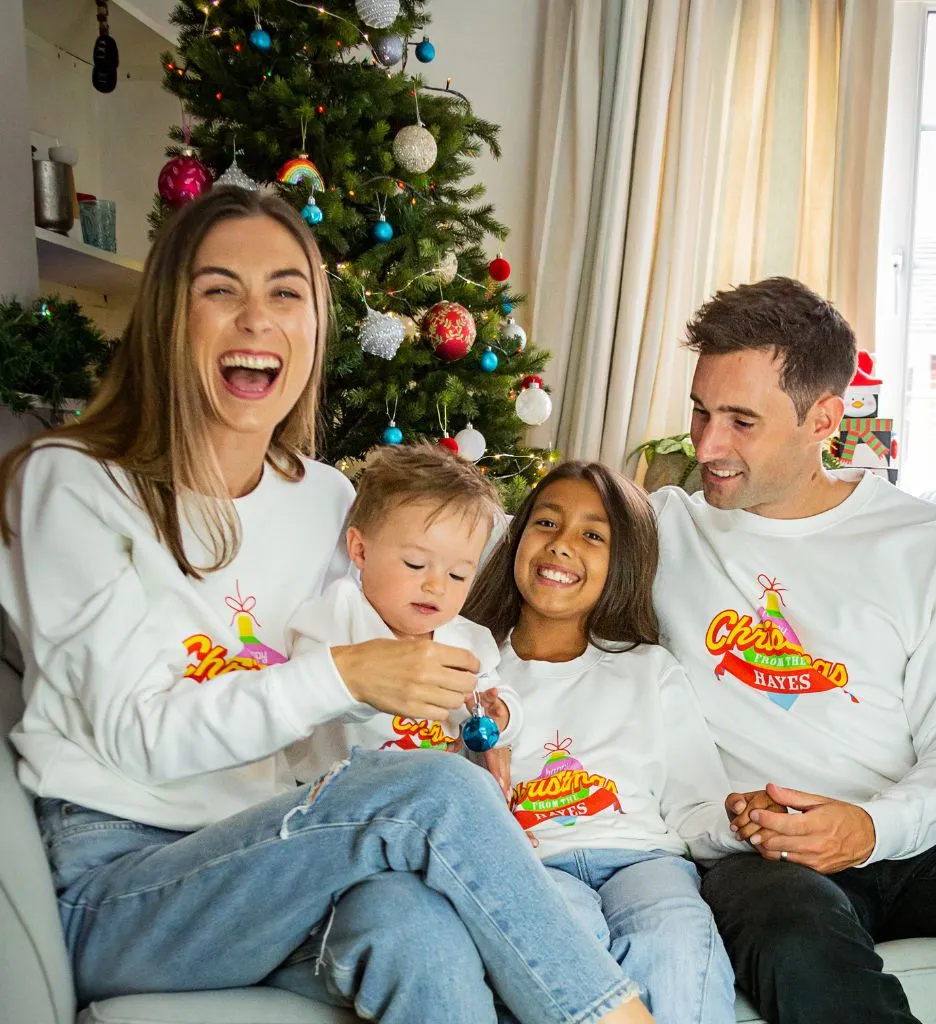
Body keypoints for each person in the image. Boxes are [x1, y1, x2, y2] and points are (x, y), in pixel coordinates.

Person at [0, 186, 656, 1024]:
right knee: (431, 798)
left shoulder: (326, 499)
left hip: (285, 856)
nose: (256, 319)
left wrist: (452, 726)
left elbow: (336, 725)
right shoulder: (73, 482)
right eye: (218, 290)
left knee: (420, 933)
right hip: (125, 885)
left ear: (314, 327)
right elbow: (139, 735)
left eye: (285, 293)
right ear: (170, 315)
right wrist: (351, 676)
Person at [649, 276, 936, 1024]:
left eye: (740, 421)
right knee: (790, 930)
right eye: (700, 411)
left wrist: (873, 827)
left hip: (922, 834)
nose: (707, 445)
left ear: (823, 418)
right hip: (767, 853)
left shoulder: (923, 543)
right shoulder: (659, 530)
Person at [465, 460, 740, 1024]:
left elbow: (695, 804)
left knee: (678, 934)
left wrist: (744, 821)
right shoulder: (472, 667)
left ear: (623, 562)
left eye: (593, 535)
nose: (563, 546)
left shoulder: (651, 669)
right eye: (546, 523)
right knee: (561, 934)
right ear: (516, 540)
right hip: (536, 866)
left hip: (645, 860)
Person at [285, 441, 520, 772]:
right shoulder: (338, 614)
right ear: (360, 551)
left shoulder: (466, 641)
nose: (436, 586)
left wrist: (503, 713)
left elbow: (495, 692)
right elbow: (306, 697)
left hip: (426, 796)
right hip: (332, 795)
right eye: (414, 564)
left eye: (458, 574)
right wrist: (368, 683)